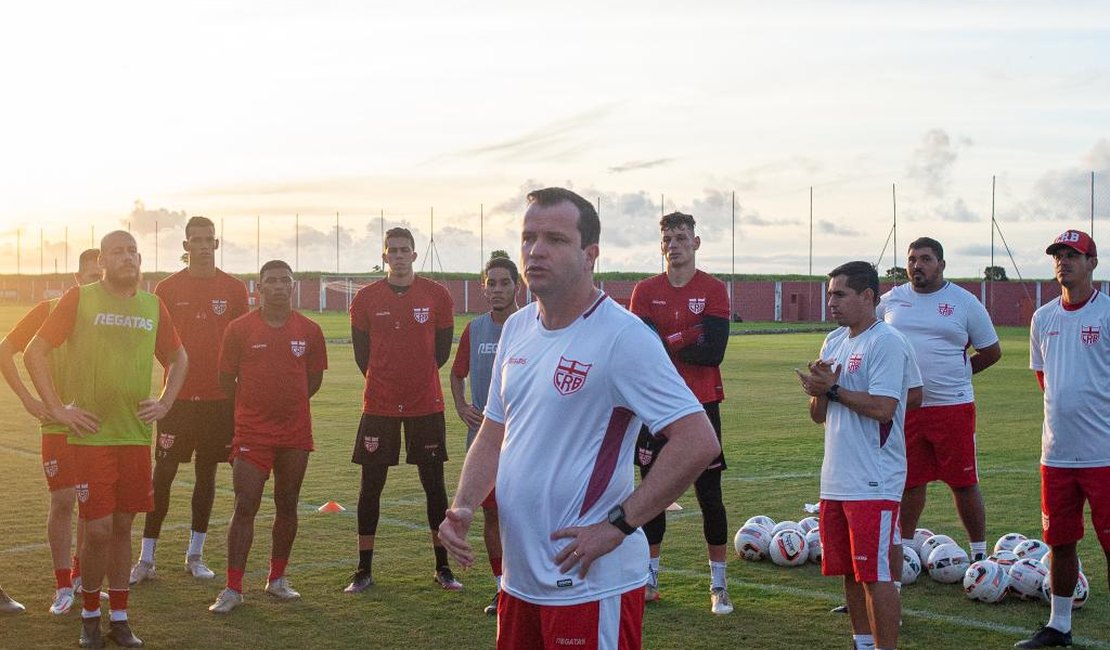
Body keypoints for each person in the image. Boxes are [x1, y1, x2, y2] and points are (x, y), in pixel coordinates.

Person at [439, 187, 721, 649]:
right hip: (519, 581)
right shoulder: (516, 328)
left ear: (590, 254)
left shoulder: (623, 337)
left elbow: (697, 440)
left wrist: (617, 526)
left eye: (555, 239)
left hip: (590, 585)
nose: (536, 250)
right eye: (528, 237)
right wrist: (464, 506)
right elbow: (493, 434)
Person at [24, 231, 188, 649]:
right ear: (101, 260)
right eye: (118, 251)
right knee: (96, 530)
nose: (128, 257)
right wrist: (57, 407)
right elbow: (34, 351)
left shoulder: (153, 305)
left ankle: (120, 618)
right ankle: (90, 615)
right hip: (91, 437)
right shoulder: (81, 299)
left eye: (134, 251)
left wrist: (166, 401)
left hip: (134, 437)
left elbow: (178, 356)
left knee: (121, 527)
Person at [797, 261, 921, 650]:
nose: (830, 301)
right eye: (830, 293)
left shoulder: (885, 341)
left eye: (840, 294)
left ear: (868, 297)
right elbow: (819, 416)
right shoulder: (834, 341)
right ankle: (862, 643)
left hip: (874, 480)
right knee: (851, 571)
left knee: (876, 574)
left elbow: (885, 408)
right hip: (836, 478)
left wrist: (833, 390)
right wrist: (818, 389)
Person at [132, 216, 249, 585]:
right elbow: (157, 343)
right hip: (176, 400)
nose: (201, 245)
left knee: (206, 474)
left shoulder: (233, 289)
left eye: (208, 239)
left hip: (218, 402)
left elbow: (240, 343)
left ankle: (195, 555)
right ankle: (146, 559)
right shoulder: (166, 289)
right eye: (194, 239)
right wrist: (175, 378)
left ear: (216, 244)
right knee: (162, 475)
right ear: (185, 246)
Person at [628, 212, 733, 614]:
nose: (674, 244)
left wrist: (669, 341)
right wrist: (691, 334)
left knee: (710, 496)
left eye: (682, 237)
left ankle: (719, 585)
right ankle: (650, 578)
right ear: (661, 246)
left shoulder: (713, 289)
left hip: (702, 403)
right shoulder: (644, 290)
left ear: (696, 243)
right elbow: (642, 353)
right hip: (654, 408)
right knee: (651, 495)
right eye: (668, 238)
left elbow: (713, 352)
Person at [344, 227, 460, 594]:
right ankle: (363, 570)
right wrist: (387, 381)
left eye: (404, 250)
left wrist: (414, 379)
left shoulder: (437, 295)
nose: (397, 255)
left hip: (425, 404)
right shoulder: (365, 299)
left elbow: (441, 352)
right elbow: (362, 355)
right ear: (384, 256)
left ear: (413, 255)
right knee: (370, 487)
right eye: (391, 250)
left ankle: (442, 568)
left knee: (434, 487)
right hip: (378, 405)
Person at [208, 260, 327, 614]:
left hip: (294, 431)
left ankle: (277, 580)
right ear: (258, 288)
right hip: (252, 431)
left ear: (293, 287)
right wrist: (254, 409)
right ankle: (232, 588)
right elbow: (225, 380)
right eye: (270, 281)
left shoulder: (309, 330)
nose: (277, 286)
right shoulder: (239, 329)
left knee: (287, 501)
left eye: (284, 281)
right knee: (245, 505)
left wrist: (287, 404)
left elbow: (313, 381)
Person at [877, 237, 1001, 564]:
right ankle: (902, 554)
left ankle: (978, 554)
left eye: (926, 259)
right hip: (907, 408)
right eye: (913, 259)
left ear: (941, 265)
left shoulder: (964, 302)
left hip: (953, 407)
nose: (918, 265)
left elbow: (991, 351)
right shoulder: (890, 301)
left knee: (963, 481)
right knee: (910, 482)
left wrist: (960, 374)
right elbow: (871, 339)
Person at [1018, 229, 1110, 649]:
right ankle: (1059, 625)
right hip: (1055, 455)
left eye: (1073, 254)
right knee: (1060, 541)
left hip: (1104, 454)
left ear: (1092, 263)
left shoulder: (1107, 314)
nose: (1064, 261)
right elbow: (1045, 378)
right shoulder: (1044, 318)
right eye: (1058, 254)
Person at [0, 248, 101, 615]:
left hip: (98, 426)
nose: (96, 283)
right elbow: (5, 351)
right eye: (90, 276)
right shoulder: (48, 311)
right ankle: (62, 587)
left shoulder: (111, 318)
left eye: (100, 277)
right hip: (58, 424)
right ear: (77, 279)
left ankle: (79, 577)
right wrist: (29, 399)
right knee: (63, 501)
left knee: (94, 506)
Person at [448, 255, 519, 615]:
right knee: (492, 516)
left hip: (526, 441)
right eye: (491, 283)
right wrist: (461, 406)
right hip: (485, 442)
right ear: (483, 288)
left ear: (516, 286)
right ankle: (502, 589)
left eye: (504, 282)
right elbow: (456, 373)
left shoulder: (534, 324)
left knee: (525, 516)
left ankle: (532, 587)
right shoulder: (474, 329)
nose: (497, 289)